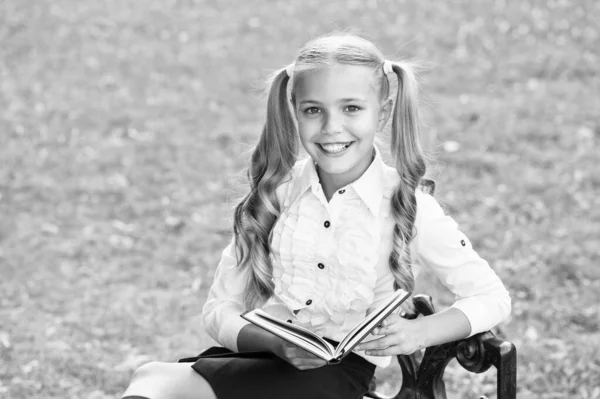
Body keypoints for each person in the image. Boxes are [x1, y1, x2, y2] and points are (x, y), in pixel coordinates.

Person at [120, 33, 511, 399]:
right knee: (149, 383)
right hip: (265, 360)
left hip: (332, 379)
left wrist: (419, 333)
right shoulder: (276, 194)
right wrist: (272, 341)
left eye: (352, 108)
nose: (331, 128)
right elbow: (218, 310)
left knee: (157, 385)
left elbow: (491, 297)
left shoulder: (407, 204)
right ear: (294, 111)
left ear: (383, 111)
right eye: (313, 110)